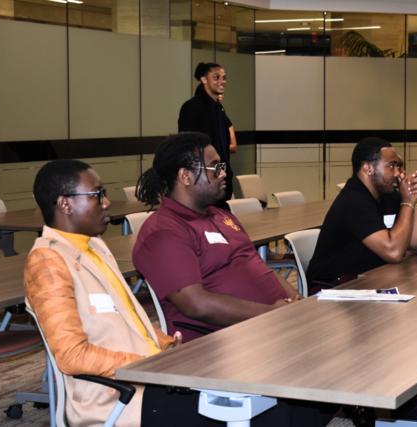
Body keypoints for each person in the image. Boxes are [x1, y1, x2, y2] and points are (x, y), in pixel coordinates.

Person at [132, 132, 335, 426]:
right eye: (215, 167)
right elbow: (195, 303)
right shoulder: (165, 231)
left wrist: (297, 305)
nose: (224, 173)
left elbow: (257, 268)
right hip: (221, 344)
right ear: (185, 176)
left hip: (268, 329)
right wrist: (273, 316)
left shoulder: (219, 216)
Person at [24, 159, 230, 427]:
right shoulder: (48, 260)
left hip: (147, 381)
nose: (107, 203)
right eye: (98, 195)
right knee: (233, 412)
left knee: (251, 397)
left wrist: (166, 345)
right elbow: (72, 356)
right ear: (65, 204)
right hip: (117, 397)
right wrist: (146, 365)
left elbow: (125, 322)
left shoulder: (94, 247)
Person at [307, 137, 417, 290]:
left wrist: (414, 198)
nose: (398, 173)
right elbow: (394, 252)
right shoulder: (353, 200)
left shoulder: (387, 195)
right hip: (334, 287)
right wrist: (408, 203)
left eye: (399, 166)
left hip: (369, 277)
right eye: (392, 166)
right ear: (368, 168)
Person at [179, 62, 235, 204]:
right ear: (204, 79)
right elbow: (188, 147)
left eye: (224, 77)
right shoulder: (192, 107)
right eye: (216, 77)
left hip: (220, 175)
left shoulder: (219, 109)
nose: (222, 81)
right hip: (203, 179)